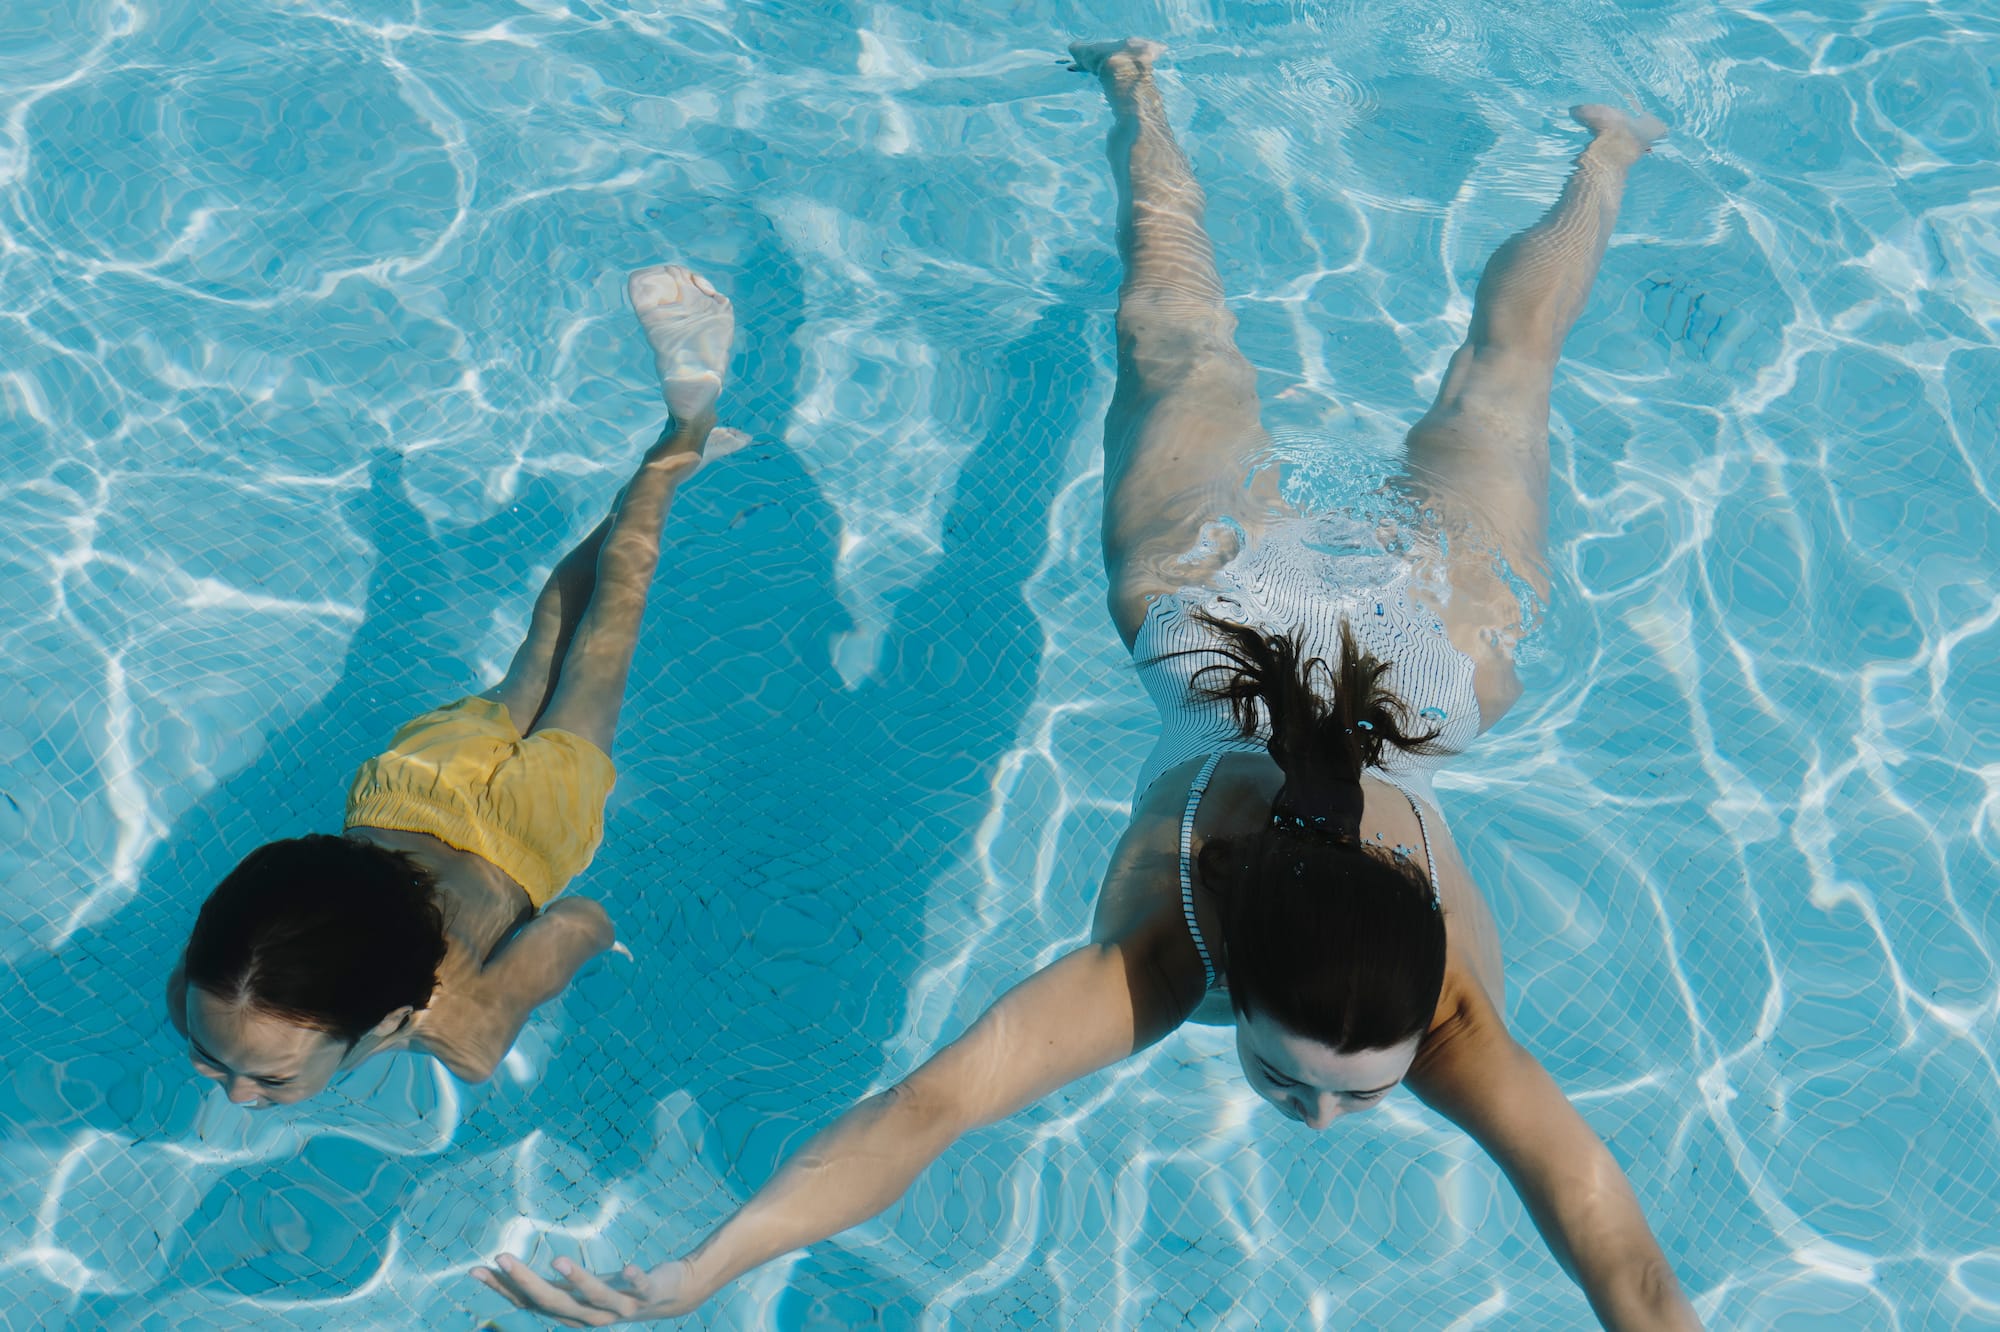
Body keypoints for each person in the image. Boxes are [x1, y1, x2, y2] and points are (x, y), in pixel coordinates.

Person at [475, 39, 1700, 1330]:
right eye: (1298, 1086)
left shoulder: (1428, 1011)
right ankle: (1149, 91)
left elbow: (1618, 1256)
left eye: (1343, 1091)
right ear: (1237, 953)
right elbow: (926, 1111)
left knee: (1222, 346)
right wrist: (696, 1279)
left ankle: (1575, 145)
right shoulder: (1172, 960)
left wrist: (698, 1270)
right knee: (1456, 369)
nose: (1327, 1122)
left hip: (1353, 637)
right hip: (1340, 636)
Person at [166, 265, 739, 1108]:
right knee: (553, 635)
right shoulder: (208, 984)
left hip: (530, 832)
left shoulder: (467, 1034)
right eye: (224, 1062)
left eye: (265, 1076)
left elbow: (582, 920)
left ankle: (683, 433)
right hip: (410, 792)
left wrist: (595, 951)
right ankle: (639, 498)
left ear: (396, 1024)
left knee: (600, 642)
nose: (234, 1093)